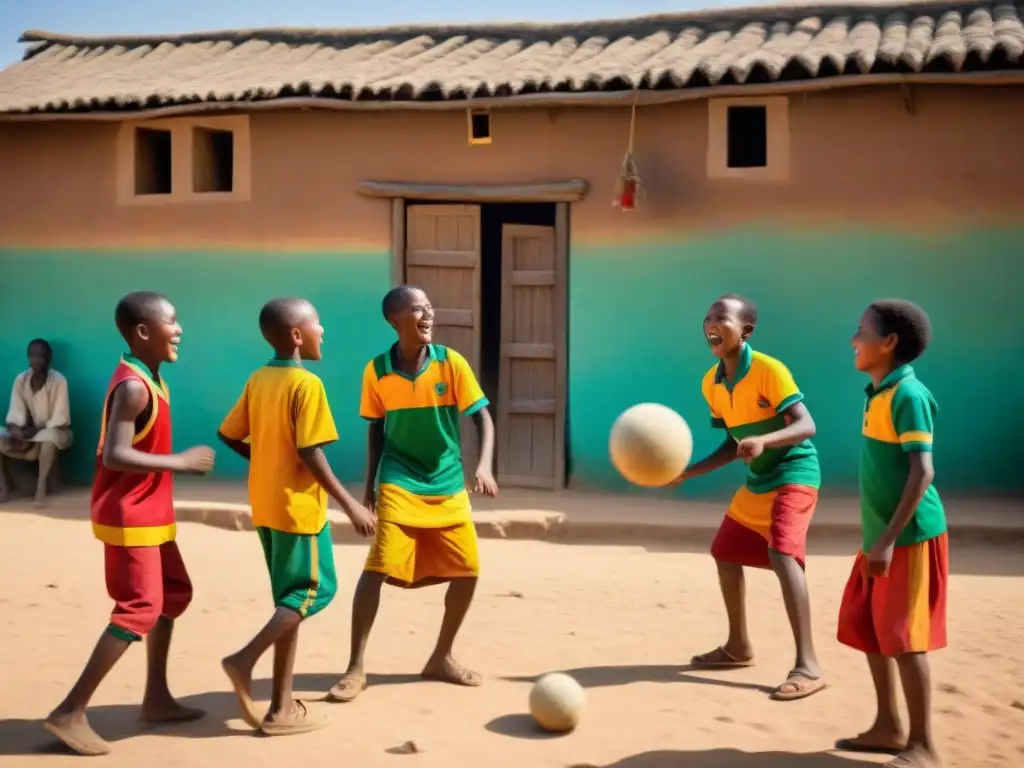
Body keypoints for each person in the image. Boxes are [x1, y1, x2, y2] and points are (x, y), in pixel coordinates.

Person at [44, 292, 216, 756]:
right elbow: (114, 455)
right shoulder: (134, 386)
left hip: (150, 509)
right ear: (143, 332)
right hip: (130, 514)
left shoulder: (151, 377)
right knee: (140, 606)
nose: (179, 329)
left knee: (173, 593)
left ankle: (155, 697)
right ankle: (70, 711)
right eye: (172, 322)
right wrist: (178, 461)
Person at [328, 285, 498, 703]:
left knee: (468, 569)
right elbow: (375, 430)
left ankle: (441, 657)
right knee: (380, 566)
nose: (428, 315)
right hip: (398, 477)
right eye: (418, 309)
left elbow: (483, 419)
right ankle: (355, 668)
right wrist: (367, 489)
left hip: (446, 478)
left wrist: (484, 465)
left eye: (429, 308)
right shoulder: (377, 370)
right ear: (394, 320)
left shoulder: (450, 363)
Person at [218, 297, 375, 736]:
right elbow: (311, 452)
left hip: (266, 505)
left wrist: (266, 458)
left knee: (288, 601)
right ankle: (243, 660)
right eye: (317, 324)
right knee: (314, 591)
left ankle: (281, 707)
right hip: (298, 510)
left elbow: (228, 433)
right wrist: (351, 504)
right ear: (296, 335)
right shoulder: (306, 385)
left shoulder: (259, 378)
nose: (323, 331)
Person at [675, 294, 825, 700]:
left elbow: (805, 424)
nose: (710, 322)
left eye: (721, 317)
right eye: (707, 316)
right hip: (759, 481)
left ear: (746, 331)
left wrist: (765, 439)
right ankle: (738, 646)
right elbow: (731, 442)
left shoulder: (769, 370)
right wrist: (690, 471)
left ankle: (808, 665)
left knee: (782, 553)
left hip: (795, 472)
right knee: (725, 551)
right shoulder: (712, 382)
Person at [835, 299, 946, 768]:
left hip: (908, 537)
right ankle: (888, 726)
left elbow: (922, 472)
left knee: (903, 637)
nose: (853, 339)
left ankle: (923, 744)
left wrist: (885, 541)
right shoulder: (878, 392)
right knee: (870, 629)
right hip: (879, 536)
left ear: (889, 342)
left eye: (860, 330)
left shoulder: (908, 396)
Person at [0, 338, 73, 505]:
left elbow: (60, 419)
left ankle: (41, 490)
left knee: (49, 437)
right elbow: (15, 411)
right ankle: (3, 488)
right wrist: (15, 430)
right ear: (28, 357)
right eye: (33, 356)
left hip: (56, 432)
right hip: (28, 432)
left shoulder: (59, 380)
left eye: (42, 356)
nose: (37, 360)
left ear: (49, 358)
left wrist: (32, 431)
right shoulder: (21, 379)